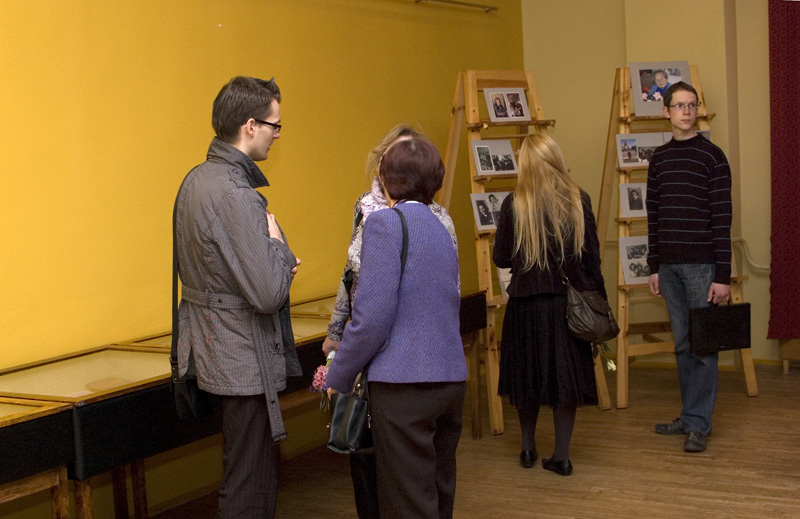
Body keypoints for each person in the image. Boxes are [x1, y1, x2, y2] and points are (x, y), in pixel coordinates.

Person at [174, 76, 301, 518]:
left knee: (242, 475)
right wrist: (280, 250)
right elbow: (267, 294)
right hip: (243, 358)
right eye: (274, 125)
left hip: (212, 351)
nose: (277, 134)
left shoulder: (196, 180)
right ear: (250, 126)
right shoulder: (236, 195)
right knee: (250, 485)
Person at [325, 137, 467, 519]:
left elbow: (371, 318)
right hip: (450, 381)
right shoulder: (441, 227)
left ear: (385, 179)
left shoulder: (384, 223)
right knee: (437, 497)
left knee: (406, 505)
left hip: (405, 387)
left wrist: (338, 376)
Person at [493, 133, 607, 477]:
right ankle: (561, 456)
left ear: (525, 164)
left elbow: (501, 257)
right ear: (556, 158)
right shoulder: (578, 200)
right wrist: (600, 302)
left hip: (525, 306)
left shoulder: (514, 204)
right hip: (566, 307)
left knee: (526, 377)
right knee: (564, 382)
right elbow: (591, 259)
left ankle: (528, 447)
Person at [647, 81, 731, 453]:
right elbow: (653, 216)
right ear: (666, 111)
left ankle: (698, 424)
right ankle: (689, 415)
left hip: (702, 266)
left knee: (703, 345)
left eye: (692, 105)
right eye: (679, 105)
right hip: (668, 266)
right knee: (682, 345)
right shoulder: (659, 159)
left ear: (698, 109)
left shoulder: (713, 157)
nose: (686, 111)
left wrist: (723, 275)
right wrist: (653, 266)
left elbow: (723, 219)